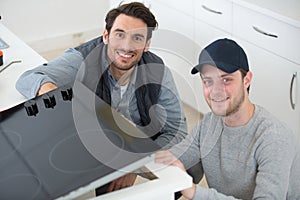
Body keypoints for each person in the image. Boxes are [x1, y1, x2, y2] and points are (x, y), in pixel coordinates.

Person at [16, 2, 202, 196]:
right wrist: (53, 94)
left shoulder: (157, 71)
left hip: (139, 146)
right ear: (106, 35)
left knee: (192, 167)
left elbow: (175, 130)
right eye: (120, 34)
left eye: (137, 38)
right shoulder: (82, 59)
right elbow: (29, 78)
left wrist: (137, 164)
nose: (127, 46)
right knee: (106, 188)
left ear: (147, 45)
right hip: (95, 147)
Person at [155, 38, 300, 199]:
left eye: (226, 80)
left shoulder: (275, 138)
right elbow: (175, 158)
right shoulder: (209, 124)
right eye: (208, 81)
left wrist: (194, 192)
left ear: (247, 80)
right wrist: (135, 166)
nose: (216, 91)